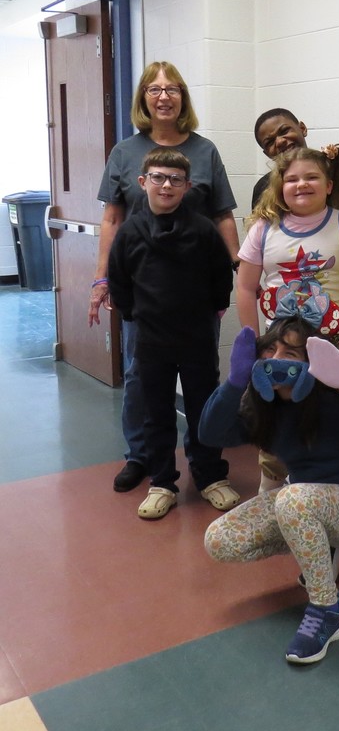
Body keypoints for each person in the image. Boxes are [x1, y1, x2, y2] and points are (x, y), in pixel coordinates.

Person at [200, 317, 339, 664]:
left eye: (292, 353)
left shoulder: (334, 395)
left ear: (310, 364)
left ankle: (328, 610)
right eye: (271, 349)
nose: (278, 358)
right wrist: (235, 382)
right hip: (308, 505)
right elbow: (210, 434)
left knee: (293, 497)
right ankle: (322, 543)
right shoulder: (265, 409)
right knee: (221, 540)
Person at [91, 61, 240, 498]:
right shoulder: (124, 151)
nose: (163, 95)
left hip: (195, 294)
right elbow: (112, 218)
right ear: (143, 98)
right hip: (144, 293)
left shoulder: (205, 150)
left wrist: (238, 269)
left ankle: (205, 464)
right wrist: (102, 281)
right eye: (154, 89)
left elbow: (222, 215)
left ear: (182, 98)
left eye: (172, 88)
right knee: (143, 379)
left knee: (200, 383)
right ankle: (143, 458)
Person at [107, 148, 235, 520]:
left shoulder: (203, 230)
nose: (167, 185)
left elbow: (219, 277)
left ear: (187, 185)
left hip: (196, 337)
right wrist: (137, 316)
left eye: (176, 179)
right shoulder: (130, 232)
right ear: (143, 182)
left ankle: (210, 474)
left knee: (202, 409)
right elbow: (119, 280)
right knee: (156, 412)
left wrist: (210, 310)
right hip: (151, 340)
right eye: (159, 178)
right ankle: (162, 482)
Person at [238, 147, 339, 495]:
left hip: (337, 345)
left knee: (333, 423)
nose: (301, 184)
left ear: (329, 184)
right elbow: (246, 288)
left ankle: (335, 502)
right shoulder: (264, 229)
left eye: (311, 177)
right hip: (279, 350)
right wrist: (252, 345)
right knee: (276, 424)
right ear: (280, 187)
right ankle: (271, 494)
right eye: (291, 179)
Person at [251, 108, 339, 215]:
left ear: (302, 128)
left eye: (284, 131)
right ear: (267, 153)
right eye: (269, 142)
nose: (280, 141)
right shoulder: (263, 188)